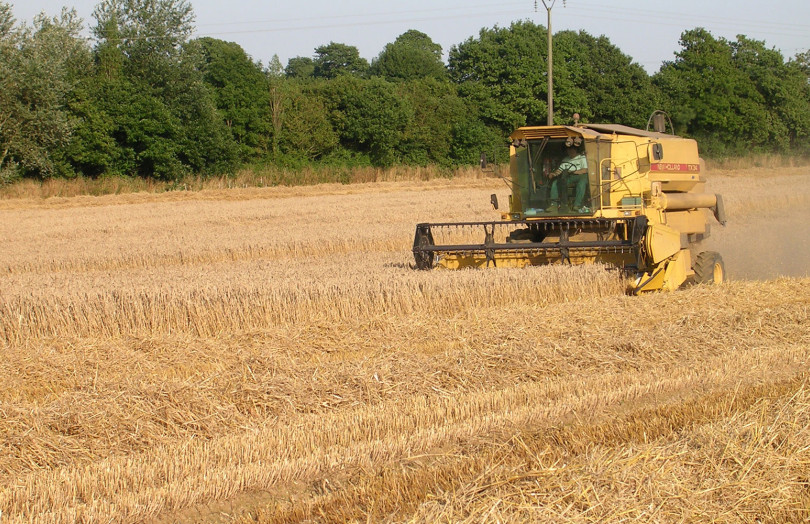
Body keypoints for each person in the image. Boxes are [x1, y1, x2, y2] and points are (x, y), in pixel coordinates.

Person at [548, 140, 589, 213]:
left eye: (571, 149)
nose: (570, 151)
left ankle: (577, 205)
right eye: (568, 150)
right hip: (569, 177)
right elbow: (560, 170)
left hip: (580, 176)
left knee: (582, 182)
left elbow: (585, 170)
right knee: (555, 183)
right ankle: (554, 205)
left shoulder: (582, 158)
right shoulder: (565, 159)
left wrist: (574, 172)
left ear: (575, 150)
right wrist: (553, 174)